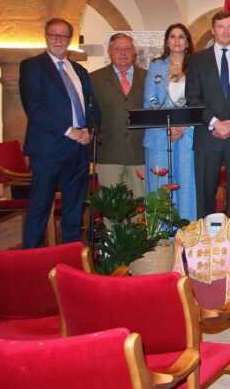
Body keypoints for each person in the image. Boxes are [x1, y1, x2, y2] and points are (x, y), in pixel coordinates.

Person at [19, 18, 98, 248]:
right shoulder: (32, 66)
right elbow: (34, 108)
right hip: (48, 149)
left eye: (63, 36)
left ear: (69, 40)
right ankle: (30, 259)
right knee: (40, 207)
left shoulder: (80, 70)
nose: (58, 40)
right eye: (53, 34)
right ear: (45, 36)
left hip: (78, 149)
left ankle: (69, 256)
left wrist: (89, 131)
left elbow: (92, 106)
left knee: (74, 207)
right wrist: (69, 131)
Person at [185, 10, 230, 224]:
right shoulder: (198, 60)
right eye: (221, 27)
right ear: (212, 30)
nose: (226, 31)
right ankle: (207, 244)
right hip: (207, 136)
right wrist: (215, 123)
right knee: (206, 194)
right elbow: (192, 97)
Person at [142, 23, 197, 221]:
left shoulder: (196, 67)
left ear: (187, 42)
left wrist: (181, 126)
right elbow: (149, 101)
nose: (176, 40)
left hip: (187, 134)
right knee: (160, 186)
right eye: (172, 36)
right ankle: (160, 238)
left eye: (181, 36)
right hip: (159, 134)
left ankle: (186, 233)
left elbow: (198, 101)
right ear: (166, 41)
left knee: (186, 184)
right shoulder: (156, 66)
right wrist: (168, 127)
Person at [90, 33, 147, 199]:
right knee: (112, 207)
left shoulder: (148, 77)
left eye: (127, 48)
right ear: (109, 52)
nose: (123, 53)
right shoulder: (94, 79)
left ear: (134, 52)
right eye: (117, 49)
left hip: (140, 153)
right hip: (109, 153)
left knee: (140, 205)